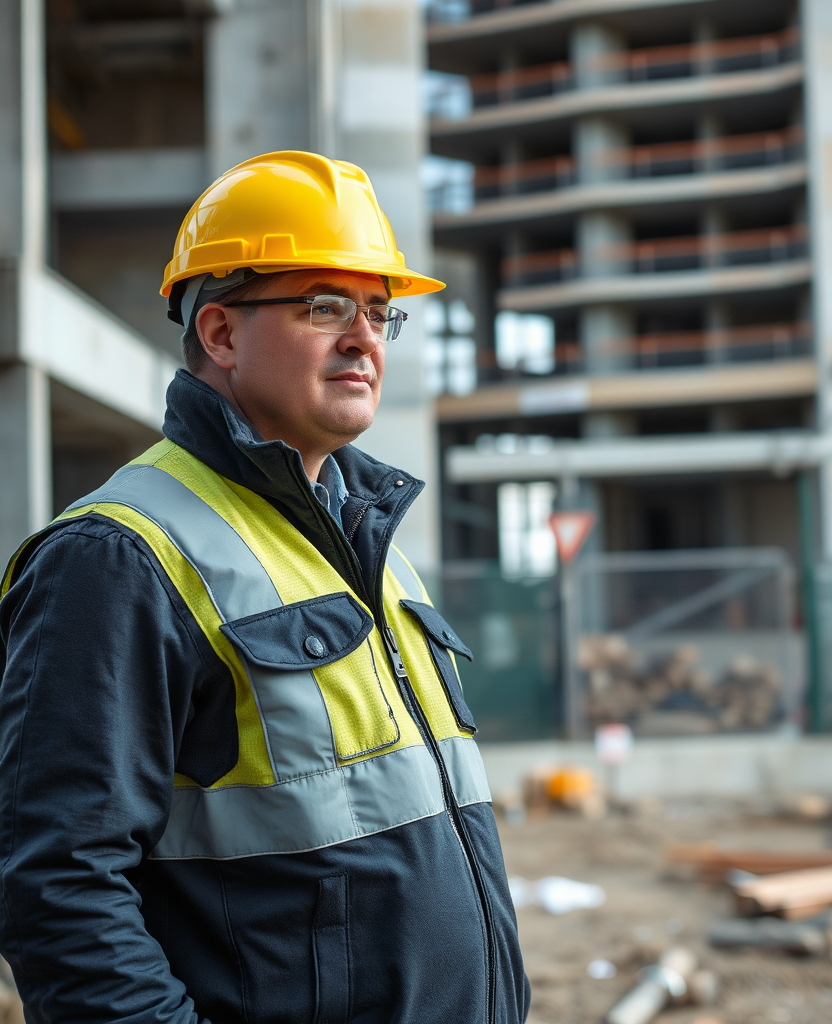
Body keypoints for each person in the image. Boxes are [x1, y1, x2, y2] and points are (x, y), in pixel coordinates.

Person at [0, 151, 529, 1024]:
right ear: (221, 333)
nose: (364, 335)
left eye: (378, 311)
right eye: (326, 306)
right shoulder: (118, 555)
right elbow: (58, 887)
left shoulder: (366, 538)